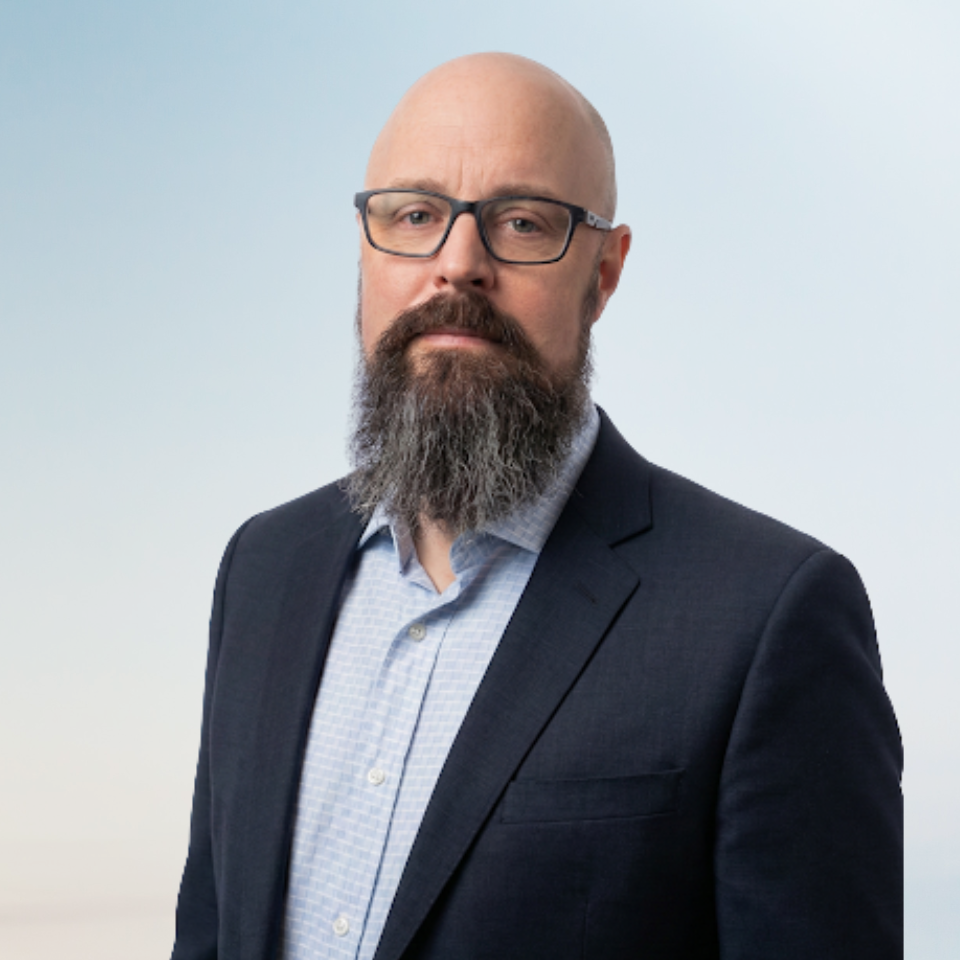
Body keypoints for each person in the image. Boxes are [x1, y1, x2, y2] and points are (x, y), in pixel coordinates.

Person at [171, 53, 902, 960]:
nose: (457, 266)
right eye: (415, 215)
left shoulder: (765, 619)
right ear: (365, 248)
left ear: (605, 272)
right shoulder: (263, 568)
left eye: (522, 223)